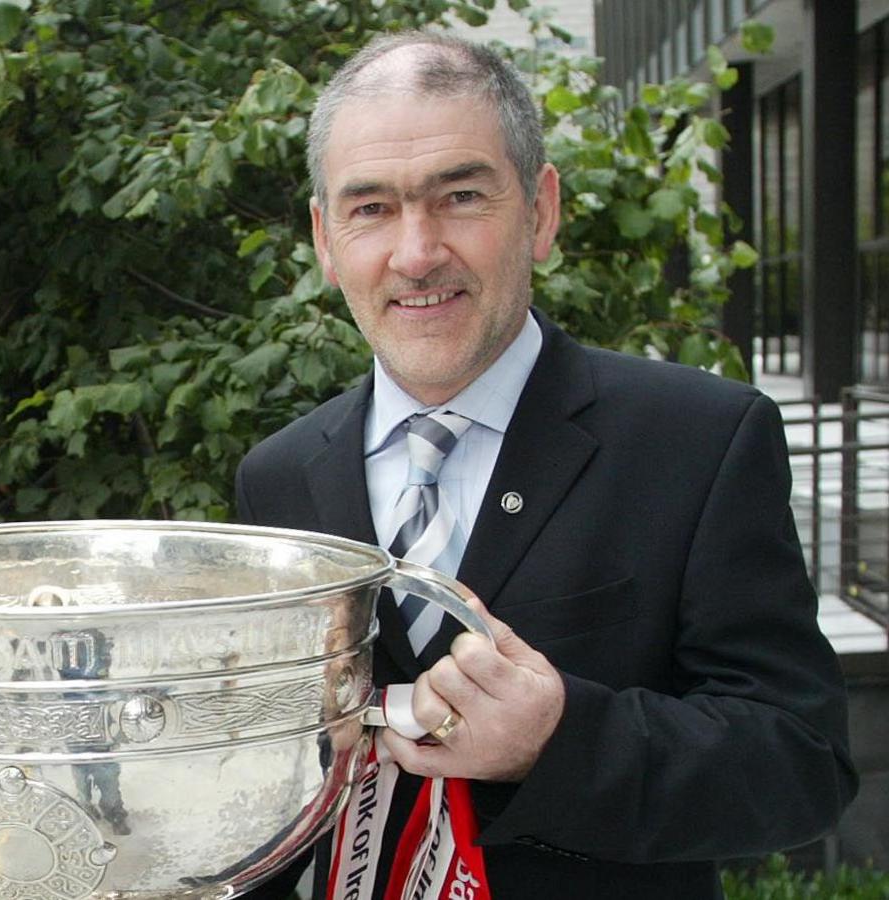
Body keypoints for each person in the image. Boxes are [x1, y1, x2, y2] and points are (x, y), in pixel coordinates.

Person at [235, 31, 857, 899]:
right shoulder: (278, 476)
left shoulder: (700, 441)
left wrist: (559, 739)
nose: (416, 253)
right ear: (325, 239)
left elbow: (804, 764)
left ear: (541, 210)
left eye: (459, 196)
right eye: (370, 207)